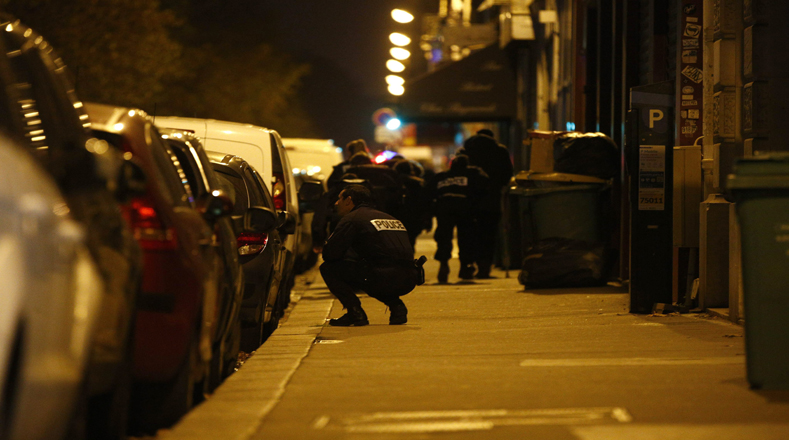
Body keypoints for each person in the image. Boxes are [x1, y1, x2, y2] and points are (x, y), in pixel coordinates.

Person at [318, 184, 424, 326]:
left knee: (329, 268)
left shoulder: (353, 219)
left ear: (349, 200)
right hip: (410, 278)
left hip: (384, 277)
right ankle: (397, 307)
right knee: (372, 269)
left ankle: (354, 312)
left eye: (339, 199)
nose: (336, 203)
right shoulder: (389, 217)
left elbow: (330, 254)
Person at [427, 154, 489, 283]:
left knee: (444, 237)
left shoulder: (441, 177)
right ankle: (466, 266)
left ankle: (443, 263)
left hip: (444, 207)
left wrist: (432, 211)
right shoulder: (472, 175)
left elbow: (429, 193)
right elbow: (485, 186)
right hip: (465, 207)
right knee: (466, 237)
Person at [462, 129, 513, 278]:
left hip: (469, 199)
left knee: (468, 233)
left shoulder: (466, 150)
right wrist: (498, 186)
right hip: (491, 199)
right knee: (488, 234)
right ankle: (484, 267)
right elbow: (507, 173)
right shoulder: (500, 150)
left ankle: (467, 265)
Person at [393, 159, 430, 248]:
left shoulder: (392, 182)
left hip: (396, 217)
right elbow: (425, 203)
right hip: (414, 218)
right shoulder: (419, 183)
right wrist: (427, 220)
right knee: (411, 242)